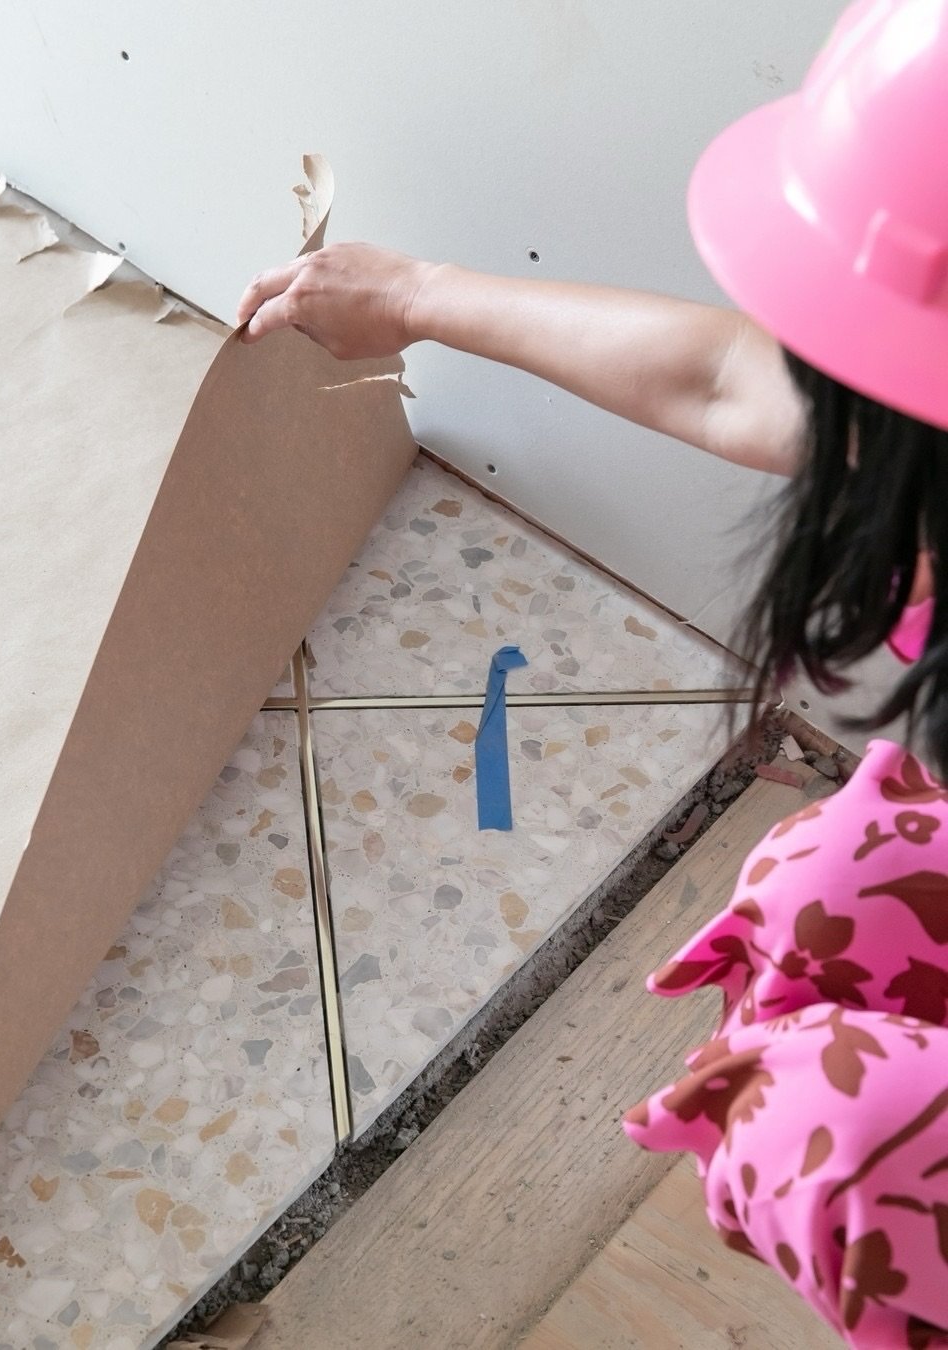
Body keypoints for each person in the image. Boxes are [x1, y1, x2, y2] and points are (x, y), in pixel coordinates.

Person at [238, 2, 948, 1344]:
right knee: (820, 891)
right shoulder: (913, 434)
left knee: (822, 1128)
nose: (840, 441)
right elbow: (730, 379)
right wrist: (415, 298)